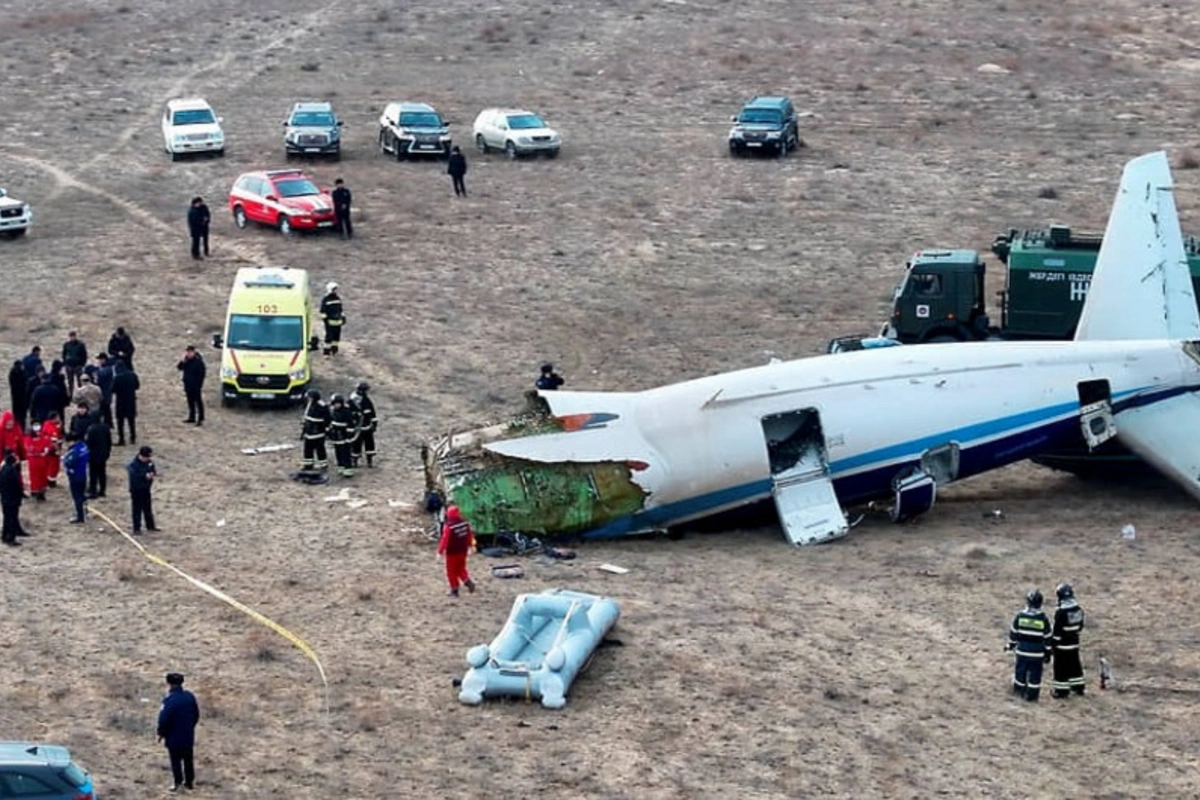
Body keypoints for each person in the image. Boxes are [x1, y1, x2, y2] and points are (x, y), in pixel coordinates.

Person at [1006, 588, 1053, 702]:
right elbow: (1048, 637)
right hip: (1037, 653)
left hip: (1022, 651)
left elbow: (1014, 633)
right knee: (1035, 675)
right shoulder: (1043, 619)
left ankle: (1019, 691)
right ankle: (1032, 696)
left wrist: (1010, 645)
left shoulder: (1020, 616)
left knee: (1020, 671)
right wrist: (1048, 652)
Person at [157, 672, 200, 793]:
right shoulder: (189, 696)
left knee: (175, 760)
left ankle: (177, 782)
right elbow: (196, 714)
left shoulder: (169, 700)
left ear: (169, 683)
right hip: (187, 734)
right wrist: (190, 726)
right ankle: (189, 782)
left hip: (173, 735)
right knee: (188, 759)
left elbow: (163, 718)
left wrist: (161, 732)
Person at [1050, 583, 1087, 698]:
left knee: (1060, 668)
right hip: (1074, 643)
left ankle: (1061, 691)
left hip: (1062, 646)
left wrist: (1053, 644)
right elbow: (1080, 627)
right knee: (1075, 665)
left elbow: (1057, 631)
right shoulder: (1078, 610)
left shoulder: (1061, 612)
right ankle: (1078, 687)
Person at [437, 505, 476, 597]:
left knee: (451, 571)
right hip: (463, 550)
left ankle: (454, 589)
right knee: (461, 568)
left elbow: (444, 540)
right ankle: (468, 582)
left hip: (452, 552)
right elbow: (469, 535)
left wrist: (440, 552)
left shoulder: (449, 526)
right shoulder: (465, 523)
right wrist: (471, 546)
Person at [127, 445, 159, 533]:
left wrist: (152, 474)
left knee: (148, 508)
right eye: (146, 457)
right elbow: (134, 477)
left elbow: (152, 470)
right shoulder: (133, 465)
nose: (148, 459)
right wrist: (145, 476)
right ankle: (136, 528)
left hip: (146, 489)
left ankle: (150, 526)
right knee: (137, 509)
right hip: (137, 490)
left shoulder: (149, 462)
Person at [300, 389, 330, 472]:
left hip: (318, 433)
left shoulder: (322, 406)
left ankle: (323, 465)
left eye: (309, 397)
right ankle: (308, 465)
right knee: (307, 450)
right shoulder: (309, 405)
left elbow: (327, 420)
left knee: (320, 450)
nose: (308, 399)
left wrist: (326, 431)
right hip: (308, 432)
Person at [327, 394, 356, 478]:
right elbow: (331, 421)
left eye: (337, 403)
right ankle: (341, 467)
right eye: (335, 404)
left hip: (344, 436)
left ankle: (348, 469)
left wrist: (348, 435)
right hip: (336, 435)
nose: (336, 405)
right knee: (338, 452)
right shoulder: (333, 411)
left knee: (345, 453)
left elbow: (350, 425)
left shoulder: (346, 411)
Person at [0, 450, 25, 546]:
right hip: (12, 498)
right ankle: (10, 538)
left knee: (8, 518)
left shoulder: (4, 469)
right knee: (11, 517)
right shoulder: (11, 471)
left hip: (6, 497)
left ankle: (5, 535)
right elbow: (17, 485)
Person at [62, 434, 89, 524]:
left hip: (75, 476)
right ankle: (85, 511)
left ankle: (80, 516)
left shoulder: (74, 451)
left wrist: (63, 458)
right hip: (83, 474)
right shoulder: (84, 447)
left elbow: (68, 462)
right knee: (82, 494)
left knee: (77, 497)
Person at [113, 358, 140, 446]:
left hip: (121, 401)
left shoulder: (117, 377)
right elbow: (137, 386)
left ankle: (122, 439)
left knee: (120, 422)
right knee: (131, 421)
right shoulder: (132, 375)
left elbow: (113, 389)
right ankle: (133, 437)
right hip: (131, 400)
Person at [24, 419, 53, 502]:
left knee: (43, 476)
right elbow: (29, 448)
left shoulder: (43, 435)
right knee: (35, 477)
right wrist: (39, 451)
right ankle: (36, 492)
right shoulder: (28, 437)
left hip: (43, 460)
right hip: (34, 460)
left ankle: (42, 492)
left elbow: (47, 443)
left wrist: (47, 449)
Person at [176, 345, 206, 426]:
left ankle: (200, 418)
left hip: (196, 386)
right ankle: (191, 417)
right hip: (188, 384)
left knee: (198, 402)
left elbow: (202, 375)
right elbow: (179, 367)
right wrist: (182, 360)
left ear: (194, 352)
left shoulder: (198, 362)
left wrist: (199, 385)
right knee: (190, 401)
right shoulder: (186, 361)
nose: (188, 354)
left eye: (190, 352)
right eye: (187, 352)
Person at [350, 382, 377, 468]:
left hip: (367, 427)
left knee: (369, 444)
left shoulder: (367, 400)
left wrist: (374, 424)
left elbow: (372, 413)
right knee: (356, 445)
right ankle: (355, 461)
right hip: (357, 428)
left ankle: (369, 461)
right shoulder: (351, 401)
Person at [85, 416, 112, 499]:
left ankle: (93, 491)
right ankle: (102, 490)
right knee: (102, 473)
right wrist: (107, 452)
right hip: (103, 454)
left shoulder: (91, 429)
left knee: (93, 474)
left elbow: (89, 443)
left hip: (93, 455)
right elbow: (109, 441)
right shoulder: (106, 427)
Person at [320, 282, 345, 356]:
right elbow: (322, 311)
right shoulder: (326, 299)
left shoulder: (337, 298)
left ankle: (334, 350)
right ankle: (326, 352)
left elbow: (340, 309)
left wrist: (343, 317)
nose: (335, 291)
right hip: (330, 323)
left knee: (337, 336)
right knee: (329, 337)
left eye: (336, 289)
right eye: (334, 289)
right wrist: (326, 321)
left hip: (338, 322)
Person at [91, 352, 115, 429]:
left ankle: (107, 423)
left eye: (100, 359)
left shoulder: (107, 369)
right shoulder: (106, 368)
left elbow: (101, 377)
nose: (99, 361)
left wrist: (96, 371)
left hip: (105, 392)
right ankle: (108, 423)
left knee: (105, 409)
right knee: (106, 409)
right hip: (104, 392)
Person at [8, 360, 28, 430]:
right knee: (22, 415)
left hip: (15, 397)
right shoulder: (22, 374)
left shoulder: (12, 374)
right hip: (22, 398)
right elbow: (25, 384)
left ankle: (16, 428)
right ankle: (22, 428)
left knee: (16, 414)